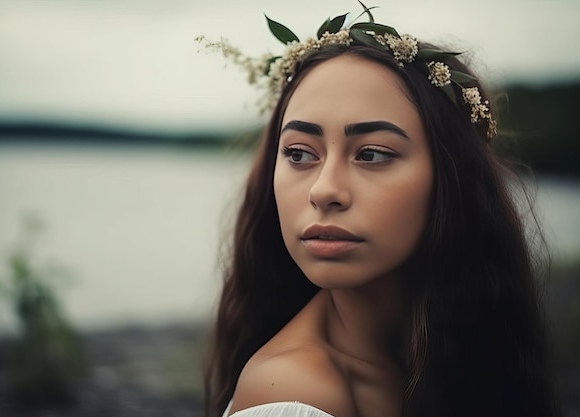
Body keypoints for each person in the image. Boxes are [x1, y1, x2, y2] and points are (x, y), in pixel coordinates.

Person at [199, 5, 559, 417]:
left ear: (452, 177)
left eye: (371, 154)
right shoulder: (293, 393)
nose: (324, 190)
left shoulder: (474, 356)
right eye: (299, 153)